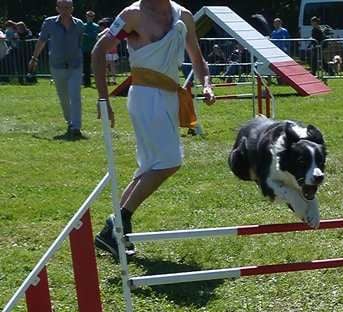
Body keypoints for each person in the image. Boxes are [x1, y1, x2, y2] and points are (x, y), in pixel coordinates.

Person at [91, 0, 215, 261]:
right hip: (146, 96)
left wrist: (206, 84)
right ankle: (120, 220)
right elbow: (99, 51)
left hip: (170, 96)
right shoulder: (132, 15)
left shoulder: (184, 15)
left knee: (149, 167)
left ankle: (112, 231)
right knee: (169, 162)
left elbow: (198, 59)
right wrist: (103, 99)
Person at [27, 0, 86, 139]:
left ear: (72, 8)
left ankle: (76, 126)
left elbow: (80, 43)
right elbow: (42, 40)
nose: (65, 10)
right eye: (62, 7)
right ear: (57, 8)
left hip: (75, 65)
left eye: (68, 7)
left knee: (75, 95)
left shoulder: (79, 24)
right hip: (57, 65)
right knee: (63, 97)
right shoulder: (49, 23)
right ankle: (69, 120)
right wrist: (34, 58)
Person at [81, 11, 99, 87]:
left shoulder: (96, 26)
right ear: (86, 16)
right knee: (86, 67)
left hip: (93, 49)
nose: (89, 17)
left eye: (91, 16)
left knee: (96, 66)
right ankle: (87, 83)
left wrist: (85, 35)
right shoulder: (83, 26)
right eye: (88, 16)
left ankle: (98, 81)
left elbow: (94, 36)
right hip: (84, 49)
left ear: (93, 17)